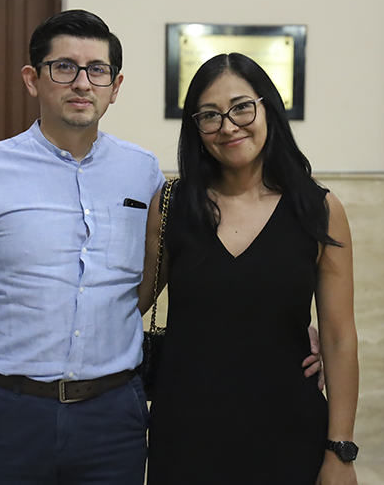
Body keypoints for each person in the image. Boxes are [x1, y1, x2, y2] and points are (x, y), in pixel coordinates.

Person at [0, 10, 164, 485]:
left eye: (97, 70)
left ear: (115, 86)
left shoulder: (143, 172)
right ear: (33, 79)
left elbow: (179, 268)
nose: (82, 83)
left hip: (115, 416)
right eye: (64, 67)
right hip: (12, 415)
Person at [137, 53, 359, 485]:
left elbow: (338, 336)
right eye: (209, 115)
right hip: (185, 435)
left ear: (268, 109)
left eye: (241, 107)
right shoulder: (172, 205)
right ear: (195, 128)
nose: (228, 126)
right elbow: (132, 301)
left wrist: (341, 451)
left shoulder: (318, 210)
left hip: (288, 432)